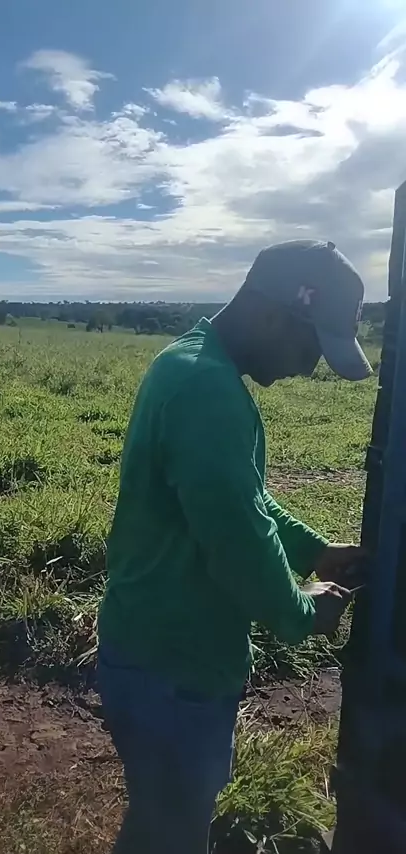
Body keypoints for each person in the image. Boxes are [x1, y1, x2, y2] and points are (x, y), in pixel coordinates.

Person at [97, 239, 371, 854]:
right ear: (272, 314)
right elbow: (237, 539)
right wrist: (302, 611)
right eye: (311, 346)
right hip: (172, 667)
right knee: (169, 834)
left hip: (154, 650)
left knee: (161, 822)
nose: (309, 368)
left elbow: (243, 498)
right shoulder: (208, 392)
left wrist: (314, 551)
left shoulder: (193, 363)